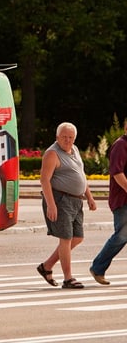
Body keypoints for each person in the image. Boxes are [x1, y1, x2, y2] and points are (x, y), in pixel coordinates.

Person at [36, 122, 97, 289]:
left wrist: (89, 197)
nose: (68, 140)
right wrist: (51, 205)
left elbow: (81, 175)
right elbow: (44, 180)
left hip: (77, 201)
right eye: (64, 137)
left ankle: (46, 266)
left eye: (71, 137)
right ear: (57, 137)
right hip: (60, 200)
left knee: (78, 238)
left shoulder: (75, 150)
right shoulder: (52, 153)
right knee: (66, 238)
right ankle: (68, 278)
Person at [89, 120, 127, 285]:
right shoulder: (121, 145)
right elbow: (117, 173)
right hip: (123, 200)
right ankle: (98, 268)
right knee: (121, 236)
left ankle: (98, 268)